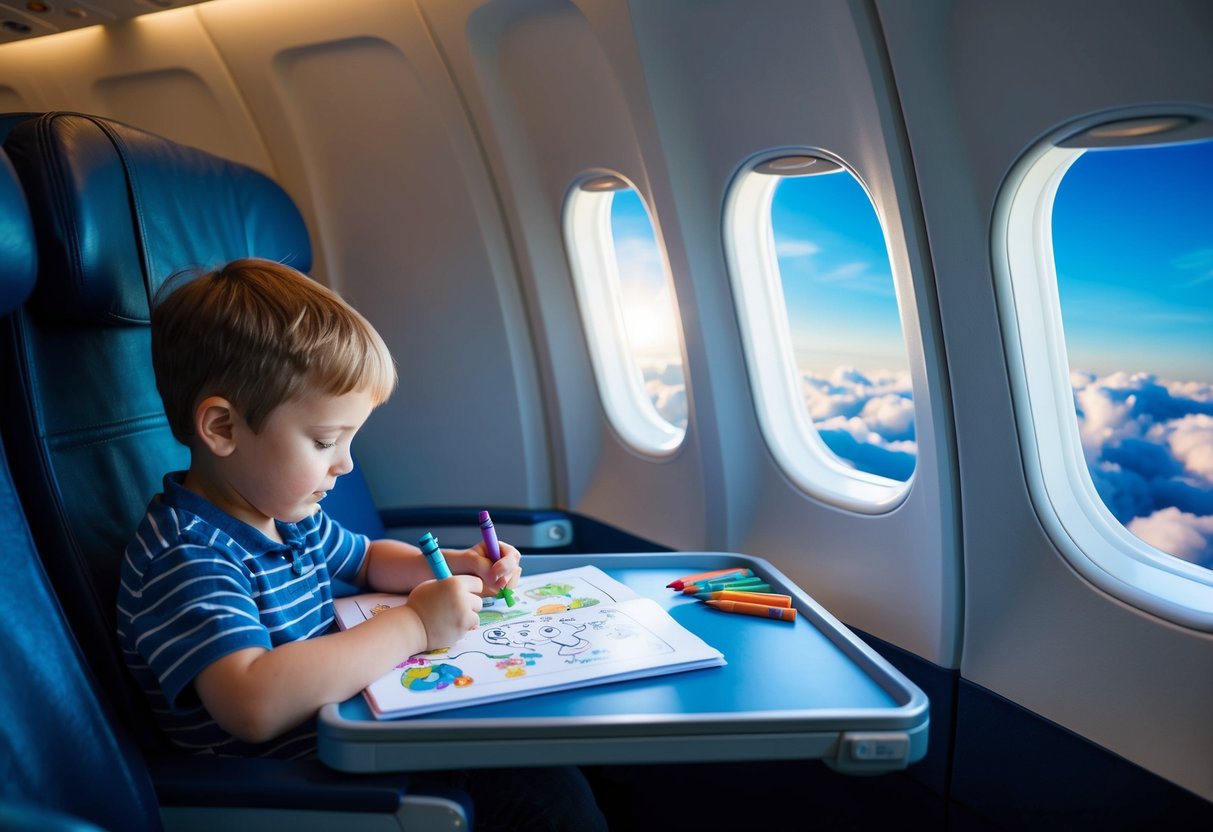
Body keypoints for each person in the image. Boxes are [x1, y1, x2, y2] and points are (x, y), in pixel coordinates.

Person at [118, 258, 607, 831]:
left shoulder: (283, 515)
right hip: (300, 789)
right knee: (545, 797)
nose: (345, 464)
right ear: (222, 429)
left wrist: (456, 566)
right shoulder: (190, 557)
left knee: (548, 763)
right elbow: (251, 701)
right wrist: (413, 627)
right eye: (326, 441)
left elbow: (371, 559)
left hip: (357, 738)